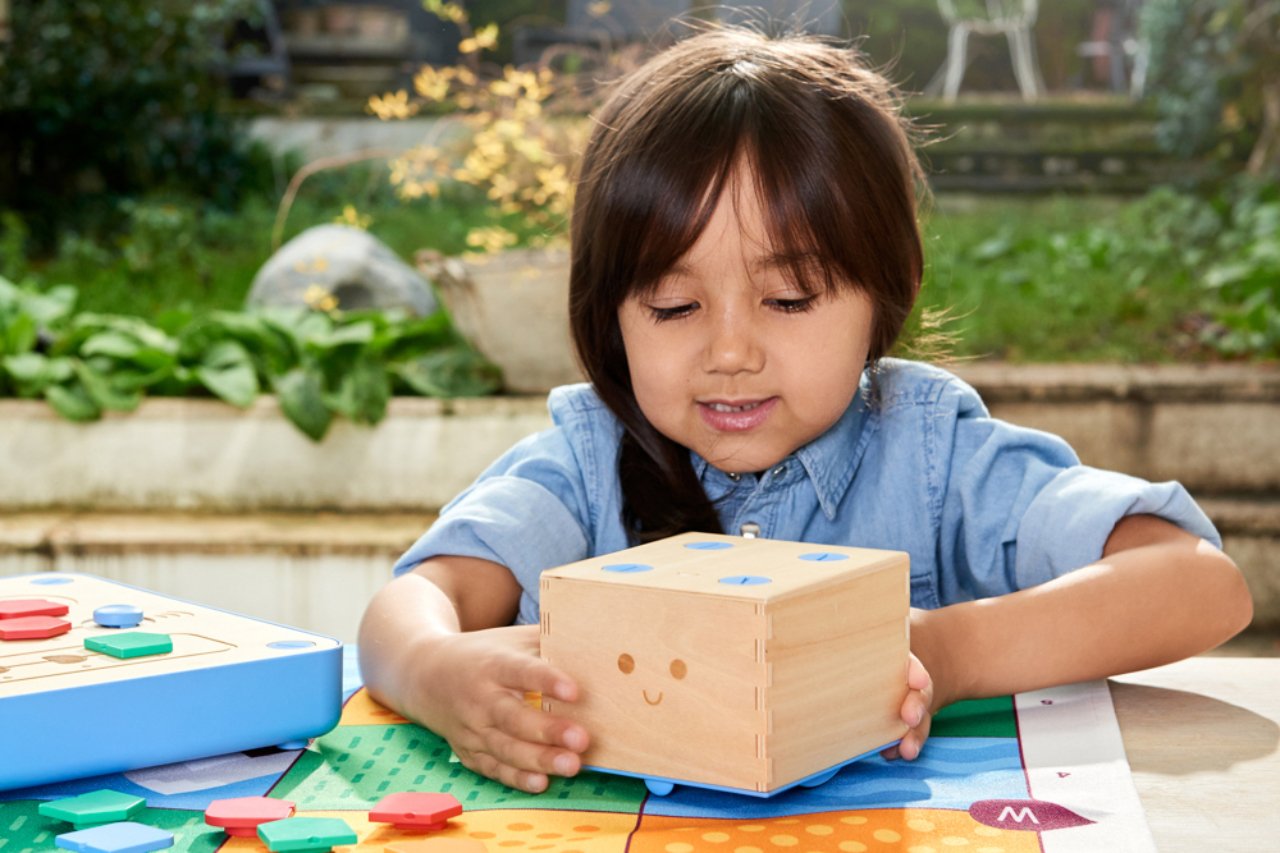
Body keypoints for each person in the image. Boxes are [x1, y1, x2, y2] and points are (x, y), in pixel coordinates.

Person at [358, 26, 1253, 795]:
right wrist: (437, 672)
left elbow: (1198, 585)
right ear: (610, 316)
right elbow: (415, 602)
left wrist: (937, 649)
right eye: (673, 308)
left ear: (884, 295)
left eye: (789, 299)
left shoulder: (931, 451)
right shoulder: (590, 455)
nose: (731, 352)